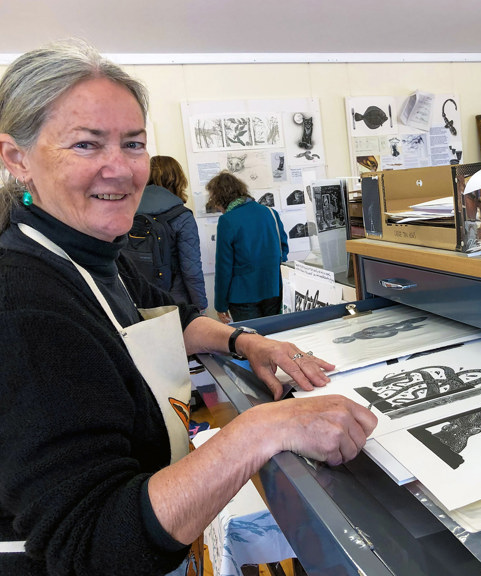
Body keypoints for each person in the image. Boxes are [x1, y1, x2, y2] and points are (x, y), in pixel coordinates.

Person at [0, 38, 376, 576]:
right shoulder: (21, 305)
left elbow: (165, 319)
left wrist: (246, 341)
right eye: (86, 145)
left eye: (132, 144)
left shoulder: (98, 255)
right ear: (17, 158)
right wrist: (263, 428)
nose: (121, 169)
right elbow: (94, 545)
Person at [205, 171, 289, 322]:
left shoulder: (227, 221)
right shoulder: (270, 212)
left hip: (242, 294)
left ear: (220, 198)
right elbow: (283, 247)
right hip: (273, 288)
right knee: (275, 337)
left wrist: (220, 305)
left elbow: (224, 267)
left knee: (252, 341)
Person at [137, 155, 208, 313]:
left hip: (139, 298)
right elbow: (191, 268)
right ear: (177, 180)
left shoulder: (129, 211)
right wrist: (200, 305)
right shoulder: (181, 216)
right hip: (175, 300)